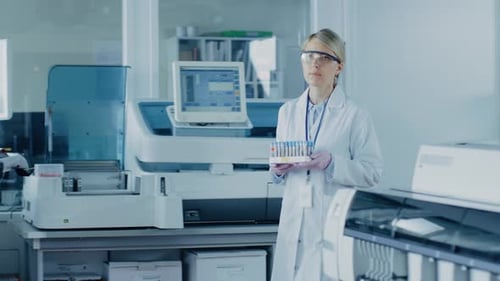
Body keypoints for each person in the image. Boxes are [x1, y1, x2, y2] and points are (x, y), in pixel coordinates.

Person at [270, 28, 383, 281]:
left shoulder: (355, 115)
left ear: (339, 67)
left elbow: (373, 173)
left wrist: (333, 163)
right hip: (293, 222)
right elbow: (281, 171)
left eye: (324, 57)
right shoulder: (287, 112)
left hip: (329, 222)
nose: (314, 63)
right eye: (308, 56)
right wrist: (276, 171)